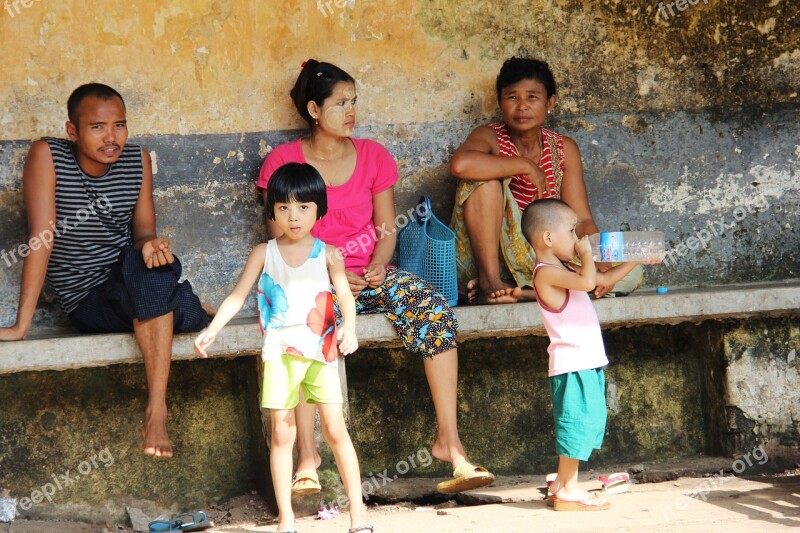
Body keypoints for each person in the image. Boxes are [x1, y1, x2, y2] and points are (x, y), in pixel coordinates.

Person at [257, 59, 495, 495]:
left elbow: (387, 228)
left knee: (434, 311)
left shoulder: (373, 156)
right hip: (314, 278)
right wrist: (335, 272)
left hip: (370, 278)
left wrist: (379, 265)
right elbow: (282, 240)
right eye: (340, 103)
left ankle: (450, 444)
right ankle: (307, 458)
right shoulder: (284, 162)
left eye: (354, 102)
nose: (351, 111)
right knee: (311, 325)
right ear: (313, 109)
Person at [0, 83, 210, 458]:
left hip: (130, 281)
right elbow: (41, 237)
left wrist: (150, 245)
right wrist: (21, 326)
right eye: (98, 127)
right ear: (72, 130)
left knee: (152, 268)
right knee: (182, 308)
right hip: (89, 300)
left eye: (119, 125)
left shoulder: (136, 159)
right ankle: (159, 403)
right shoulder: (48, 155)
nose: (111, 137)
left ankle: (159, 401)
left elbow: (143, 233)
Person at [195, 163, 372, 533]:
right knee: (281, 434)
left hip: (321, 351)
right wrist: (213, 328)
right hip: (278, 352)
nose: (294, 217)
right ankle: (286, 518)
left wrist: (350, 329)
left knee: (337, 431)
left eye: (304, 207)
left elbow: (345, 298)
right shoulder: (264, 252)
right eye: (284, 208)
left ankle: (358, 513)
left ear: (319, 209)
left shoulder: (330, 253)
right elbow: (238, 295)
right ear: (272, 210)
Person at [450, 57, 643, 304]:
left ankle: (520, 291)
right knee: (481, 181)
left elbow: (582, 220)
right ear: (500, 103)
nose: (522, 106)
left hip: (544, 259)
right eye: (512, 97)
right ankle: (490, 283)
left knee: (632, 272)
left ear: (550, 102)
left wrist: (599, 262)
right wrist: (523, 165)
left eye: (532, 97)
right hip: (491, 258)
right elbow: (460, 165)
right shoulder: (490, 137)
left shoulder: (564, 149)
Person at [521, 198, 659, 511]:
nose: (578, 238)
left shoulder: (563, 268)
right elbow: (587, 280)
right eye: (571, 231)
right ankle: (568, 489)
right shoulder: (545, 273)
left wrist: (636, 259)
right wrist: (586, 256)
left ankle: (561, 482)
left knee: (589, 420)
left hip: (586, 362)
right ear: (547, 238)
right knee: (576, 424)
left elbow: (601, 281)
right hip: (572, 365)